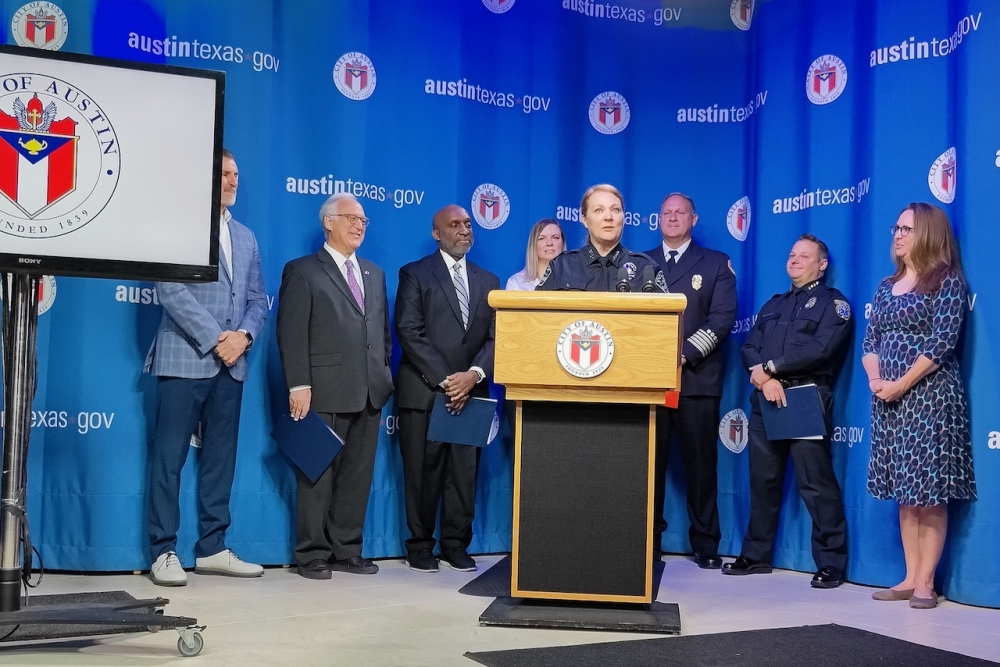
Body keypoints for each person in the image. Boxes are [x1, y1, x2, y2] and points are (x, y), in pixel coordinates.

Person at [144, 148, 267, 586]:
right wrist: (219, 340)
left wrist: (245, 337)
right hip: (185, 358)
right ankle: (163, 551)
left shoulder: (247, 237)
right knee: (168, 459)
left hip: (232, 365)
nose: (233, 181)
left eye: (236, 174)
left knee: (221, 460)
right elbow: (171, 290)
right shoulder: (179, 227)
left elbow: (258, 300)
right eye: (224, 174)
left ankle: (213, 547)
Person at [862, 203, 975, 609]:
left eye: (907, 229)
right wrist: (878, 382)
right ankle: (909, 576)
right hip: (888, 402)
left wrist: (902, 384)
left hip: (929, 400)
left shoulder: (947, 281)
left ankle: (927, 581)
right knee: (906, 494)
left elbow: (941, 343)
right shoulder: (884, 286)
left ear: (927, 233)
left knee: (929, 494)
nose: (898, 234)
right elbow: (870, 341)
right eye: (896, 227)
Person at [276, 193, 394, 580]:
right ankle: (311, 552)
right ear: (328, 222)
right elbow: (291, 334)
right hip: (322, 389)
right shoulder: (303, 270)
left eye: (364, 220)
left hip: (369, 391)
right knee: (317, 474)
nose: (360, 225)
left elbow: (381, 333)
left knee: (357, 476)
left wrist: (383, 375)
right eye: (351, 218)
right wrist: (299, 384)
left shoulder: (374, 273)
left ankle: (347, 549)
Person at [723, 234, 851, 589]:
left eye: (804, 256)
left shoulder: (833, 303)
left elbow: (821, 350)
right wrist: (765, 380)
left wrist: (772, 369)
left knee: (815, 484)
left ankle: (831, 563)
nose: (794, 260)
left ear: (821, 265)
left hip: (804, 397)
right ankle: (755, 554)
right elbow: (750, 348)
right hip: (766, 398)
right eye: (791, 254)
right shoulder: (772, 305)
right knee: (762, 481)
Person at [395, 204, 500, 573]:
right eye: (454, 225)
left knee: (463, 475)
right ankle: (420, 545)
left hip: (471, 393)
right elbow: (409, 330)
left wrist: (471, 375)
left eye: (468, 224)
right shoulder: (414, 273)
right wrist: (447, 380)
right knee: (423, 474)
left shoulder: (489, 281)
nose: (464, 230)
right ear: (437, 233)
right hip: (426, 393)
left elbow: (495, 337)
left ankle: (456, 545)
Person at [644, 193, 736, 567]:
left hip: (695, 382)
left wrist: (683, 354)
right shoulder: (638, 264)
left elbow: (722, 318)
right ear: (658, 219)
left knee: (701, 467)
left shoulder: (716, 264)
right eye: (666, 212)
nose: (673, 217)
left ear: (694, 219)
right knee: (649, 467)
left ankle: (706, 543)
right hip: (649, 383)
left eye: (680, 212)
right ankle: (648, 541)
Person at [536, 184, 665, 292]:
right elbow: (536, 314)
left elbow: (668, 318)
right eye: (598, 210)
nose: (608, 217)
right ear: (584, 219)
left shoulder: (646, 268)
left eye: (615, 210)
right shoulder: (562, 266)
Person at [505, 219, 566, 291]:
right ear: (534, 245)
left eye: (555, 237)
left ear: (562, 243)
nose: (549, 243)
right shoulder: (516, 283)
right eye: (542, 238)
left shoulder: (575, 280)